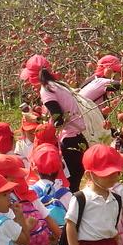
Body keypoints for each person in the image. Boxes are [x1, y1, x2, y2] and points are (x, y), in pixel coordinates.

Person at [21, 55, 89, 190]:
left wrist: (35, 119)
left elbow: (58, 120)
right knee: (73, 184)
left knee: (70, 187)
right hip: (78, 138)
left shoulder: (46, 89)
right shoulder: (57, 85)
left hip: (69, 141)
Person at [30, 143, 74, 245]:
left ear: (34, 168)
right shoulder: (65, 192)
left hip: (40, 235)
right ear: (60, 168)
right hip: (61, 234)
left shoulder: (32, 190)